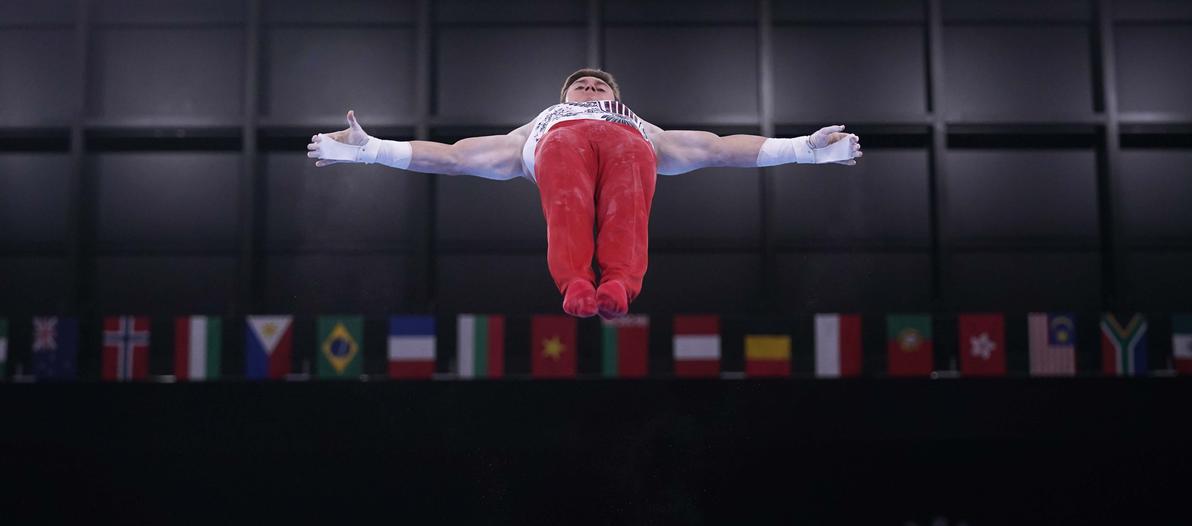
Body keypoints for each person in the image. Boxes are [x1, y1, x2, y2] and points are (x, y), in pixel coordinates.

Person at [307, 68, 862, 319]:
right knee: (567, 208)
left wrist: (804, 149)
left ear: (616, 97)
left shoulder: (642, 126)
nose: (591, 87)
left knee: (628, 210)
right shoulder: (537, 126)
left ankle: (619, 284)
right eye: (582, 85)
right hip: (559, 147)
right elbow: (452, 157)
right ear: (564, 97)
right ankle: (575, 281)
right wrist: (369, 148)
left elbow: (718, 147)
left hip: (628, 148)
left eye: (600, 85)